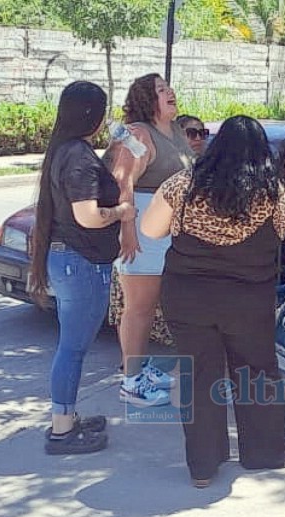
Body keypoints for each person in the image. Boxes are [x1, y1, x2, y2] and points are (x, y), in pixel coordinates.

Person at [141, 115, 285, 488]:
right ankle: (265, 453)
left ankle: (203, 467)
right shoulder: (275, 193)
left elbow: (150, 229)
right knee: (257, 370)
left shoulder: (182, 185)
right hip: (249, 299)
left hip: (189, 296)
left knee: (199, 376)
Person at [29, 81, 136, 455]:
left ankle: (67, 418)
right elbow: (89, 217)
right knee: (73, 348)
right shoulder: (76, 156)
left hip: (74, 260)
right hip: (81, 262)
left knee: (72, 346)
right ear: (92, 114)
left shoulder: (69, 151)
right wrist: (122, 212)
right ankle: (62, 429)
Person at [106, 73, 194, 407]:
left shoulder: (175, 132)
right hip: (144, 233)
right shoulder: (138, 134)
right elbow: (122, 182)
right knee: (138, 309)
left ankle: (141, 368)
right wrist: (128, 233)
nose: (170, 91)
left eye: (169, 86)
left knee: (153, 306)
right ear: (147, 99)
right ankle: (131, 381)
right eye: (160, 90)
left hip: (169, 233)